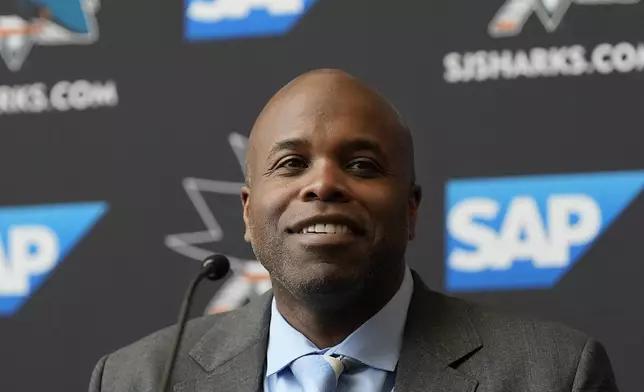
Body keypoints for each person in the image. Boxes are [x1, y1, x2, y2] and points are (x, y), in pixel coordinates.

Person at [89, 69, 619, 392]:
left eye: (362, 165)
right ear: (248, 214)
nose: (323, 184)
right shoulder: (135, 380)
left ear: (411, 210)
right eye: (292, 163)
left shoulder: (554, 375)